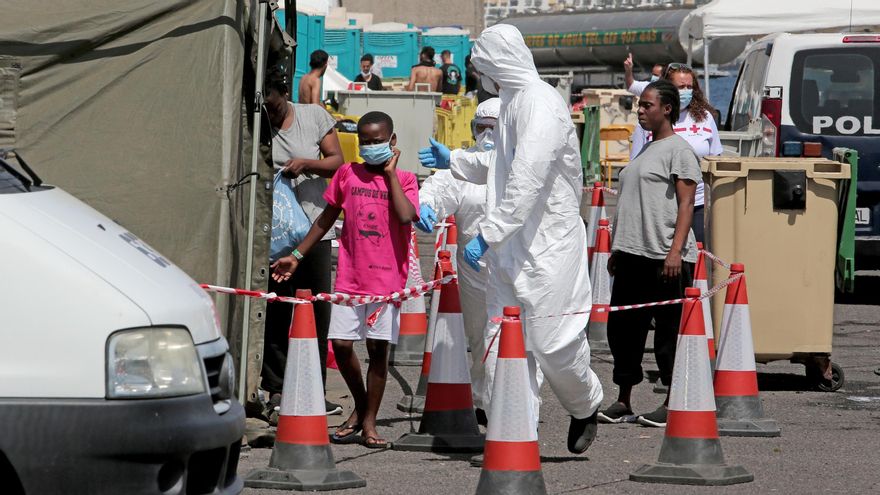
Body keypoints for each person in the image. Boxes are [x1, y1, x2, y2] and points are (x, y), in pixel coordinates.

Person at [419, 24, 604, 455]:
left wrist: (487, 234)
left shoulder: (541, 105)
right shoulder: (514, 102)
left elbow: (526, 179)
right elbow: (501, 163)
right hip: (511, 249)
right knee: (504, 341)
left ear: (497, 63)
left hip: (550, 247)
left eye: (485, 66)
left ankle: (585, 402)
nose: (484, 76)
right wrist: (457, 160)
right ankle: (517, 431)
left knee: (551, 342)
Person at [272, 111, 419, 449]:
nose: (371, 147)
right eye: (365, 142)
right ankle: (364, 404)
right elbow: (324, 220)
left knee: (377, 352)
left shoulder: (407, 179)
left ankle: (368, 423)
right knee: (340, 346)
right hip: (350, 280)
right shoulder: (347, 175)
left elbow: (406, 215)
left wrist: (391, 175)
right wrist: (296, 256)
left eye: (378, 141)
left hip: (386, 284)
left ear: (392, 142)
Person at [597, 80, 701, 428]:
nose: (640, 111)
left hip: (664, 257)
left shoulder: (679, 150)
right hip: (631, 255)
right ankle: (623, 399)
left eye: (647, 106)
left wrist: (675, 253)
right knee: (623, 330)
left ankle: (672, 402)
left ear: (667, 109)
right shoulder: (645, 149)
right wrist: (617, 248)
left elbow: (687, 204)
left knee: (668, 334)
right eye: (639, 106)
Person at [262, 69, 345, 418]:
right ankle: (277, 389)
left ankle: (314, 390)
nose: (272, 113)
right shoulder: (257, 122)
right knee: (276, 312)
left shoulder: (312, 117)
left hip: (315, 231)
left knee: (315, 313)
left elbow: (338, 163)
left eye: (276, 106)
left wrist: (306, 164)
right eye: (266, 108)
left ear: (285, 95)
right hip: (275, 238)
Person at [414, 97, 500, 425]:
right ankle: (485, 401)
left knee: (520, 340)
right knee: (481, 336)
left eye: (495, 128)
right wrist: (426, 206)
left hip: (518, 266)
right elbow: (438, 188)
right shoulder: (463, 165)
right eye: (482, 128)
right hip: (475, 268)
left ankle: (514, 402)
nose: (488, 135)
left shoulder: (521, 164)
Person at [629, 62, 721, 242]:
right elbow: (635, 165)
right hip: (660, 203)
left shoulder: (705, 117)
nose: (686, 91)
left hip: (698, 202)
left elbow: (716, 157)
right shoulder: (650, 119)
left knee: (697, 256)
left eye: (689, 86)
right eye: (681, 87)